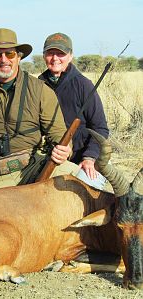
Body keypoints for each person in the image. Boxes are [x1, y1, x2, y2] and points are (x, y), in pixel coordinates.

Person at [0, 28, 79, 193]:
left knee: (84, 181)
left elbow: (59, 134)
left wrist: (64, 150)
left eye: (10, 54)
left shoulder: (40, 90)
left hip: (36, 167)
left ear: (19, 57)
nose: (4, 60)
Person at [38, 33, 109, 189]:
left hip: (81, 159)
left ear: (70, 56)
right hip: (47, 158)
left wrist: (90, 157)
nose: (55, 58)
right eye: (50, 53)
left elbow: (100, 128)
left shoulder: (84, 85)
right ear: (44, 56)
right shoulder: (37, 85)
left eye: (61, 53)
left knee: (89, 189)